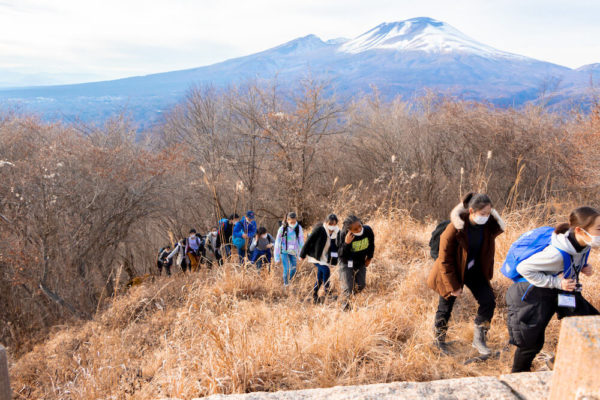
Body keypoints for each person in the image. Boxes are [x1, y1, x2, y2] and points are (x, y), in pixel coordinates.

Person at [506, 206, 600, 372]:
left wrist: (583, 266)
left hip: (562, 290)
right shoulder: (554, 253)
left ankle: (555, 364)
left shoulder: (583, 243)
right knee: (531, 343)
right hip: (532, 292)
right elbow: (524, 268)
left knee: (592, 324)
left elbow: (572, 259)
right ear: (579, 230)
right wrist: (557, 283)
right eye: (598, 229)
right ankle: (517, 377)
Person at [426, 193, 505, 356]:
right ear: (471, 212)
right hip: (452, 271)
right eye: (482, 214)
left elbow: (495, 232)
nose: (486, 217)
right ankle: (439, 341)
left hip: (475, 270)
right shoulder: (455, 228)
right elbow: (444, 260)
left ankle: (479, 339)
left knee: (488, 301)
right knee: (446, 305)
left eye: (489, 214)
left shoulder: (488, 225)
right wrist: (453, 286)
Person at [300, 213, 340, 303]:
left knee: (320, 277)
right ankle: (327, 291)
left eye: (334, 224)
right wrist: (302, 254)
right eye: (330, 224)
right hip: (315, 256)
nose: (332, 226)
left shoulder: (337, 232)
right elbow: (309, 241)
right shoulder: (320, 229)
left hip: (325, 257)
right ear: (326, 223)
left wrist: (335, 260)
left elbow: (338, 247)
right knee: (326, 270)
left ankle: (314, 294)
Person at [338, 215, 375, 310]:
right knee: (347, 287)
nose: (359, 229)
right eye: (355, 229)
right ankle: (345, 309)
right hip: (346, 262)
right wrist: (346, 243)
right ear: (349, 230)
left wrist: (369, 258)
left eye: (359, 226)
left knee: (361, 285)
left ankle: (350, 297)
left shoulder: (367, 230)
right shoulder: (344, 234)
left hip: (360, 262)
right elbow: (341, 254)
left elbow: (371, 245)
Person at [274, 212, 305, 286]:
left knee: (294, 269)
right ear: (287, 220)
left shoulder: (298, 228)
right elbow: (277, 243)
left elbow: (301, 242)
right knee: (286, 269)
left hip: (293, 252)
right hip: (284, 251)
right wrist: (277, 258)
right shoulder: (282, 229)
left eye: (294, 222)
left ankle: (290, 281)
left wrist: (302, 254)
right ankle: (286, 284)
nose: (293, 224)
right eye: (291, 222)